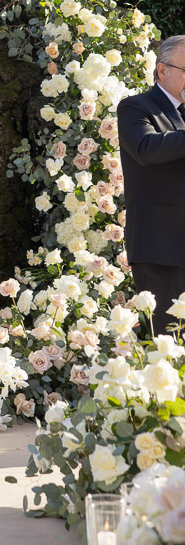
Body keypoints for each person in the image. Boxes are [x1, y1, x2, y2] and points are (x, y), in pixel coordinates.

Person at [118, 34, 185, 336]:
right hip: (161, 248)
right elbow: (146, 148)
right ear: (163, 70)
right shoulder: (136, 107)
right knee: (168, 345)